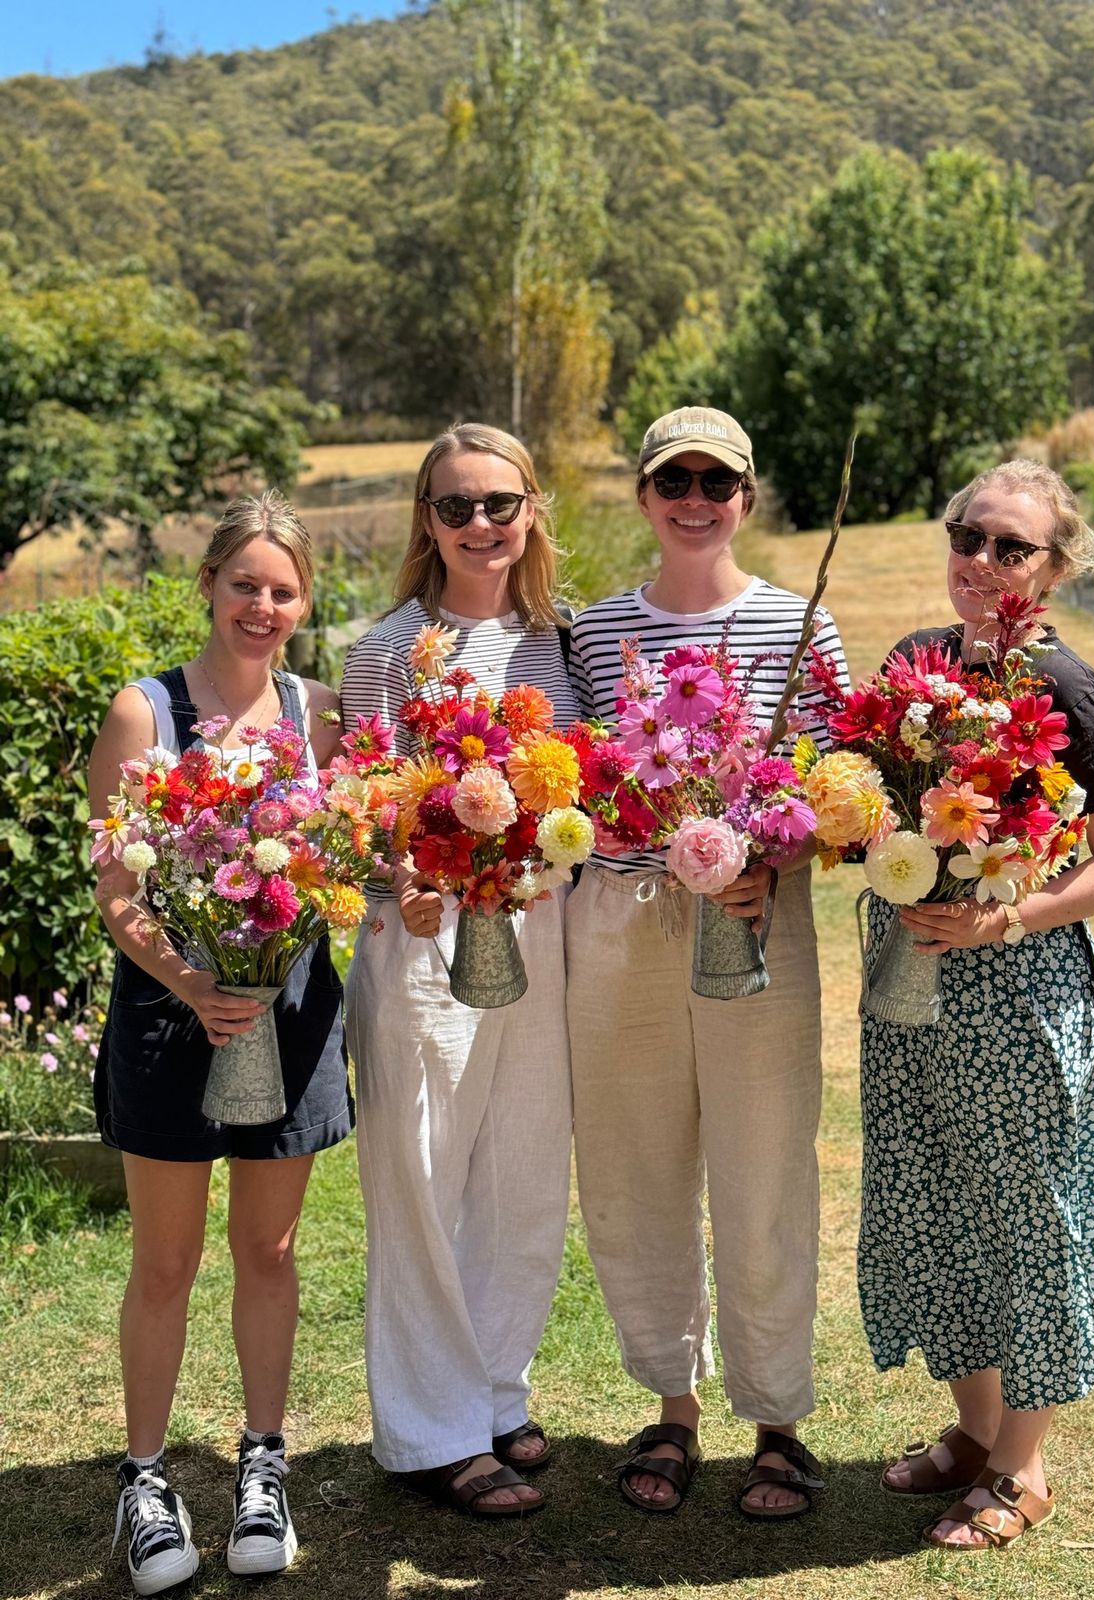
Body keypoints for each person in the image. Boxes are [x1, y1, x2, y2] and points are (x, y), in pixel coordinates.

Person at [860, 459, 1094, 1550]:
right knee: (934, 1203)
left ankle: (1024, 1466)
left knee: (1026, 1216)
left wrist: (1008, 918)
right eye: (967, 535)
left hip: (1017, 994)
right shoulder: (913, 664)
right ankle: (977, 1432)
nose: (980, 562)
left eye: (1011, 547)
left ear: (1057, 567)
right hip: (910, 979)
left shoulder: (1066, 687)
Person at [566, 406, 851, 1518]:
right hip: (627, 916)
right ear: (643, 495)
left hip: (755, 917)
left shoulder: (800, 621)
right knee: (637, 1165)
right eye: (673, 477)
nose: (695, 498)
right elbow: (585, 791)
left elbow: (834, 785)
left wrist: (774, 861)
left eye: (716, 480)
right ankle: (672, 1406)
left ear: (748, 496)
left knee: (764, 1157)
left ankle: (777, 1416)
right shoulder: (596, 634)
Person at [89, 491, 351, 1595]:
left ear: (302, 604)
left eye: (282, 589)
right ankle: (144, 1481)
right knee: (165, 1260)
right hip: (169, 1012)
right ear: (207, 583)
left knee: (270, 1252)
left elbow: (345, 864)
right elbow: (116, 888)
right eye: (244, 582)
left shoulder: (321, 715)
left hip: (288, 1015)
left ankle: (261, 1463)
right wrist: (195, 983)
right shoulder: (142, 715)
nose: (262, 604)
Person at [340, 423, 578, 1518]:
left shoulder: (559, 644)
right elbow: (362, 804)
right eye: (454, 507)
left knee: (523, 1170)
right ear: (424, 522)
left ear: (530, 507)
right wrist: (402, 882)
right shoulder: (387, 647)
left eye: (499, 503)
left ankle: (493, 1388)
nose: (479, 525)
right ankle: (433, 1430)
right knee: (422, 1175)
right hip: (424, 941)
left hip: (545, 932)